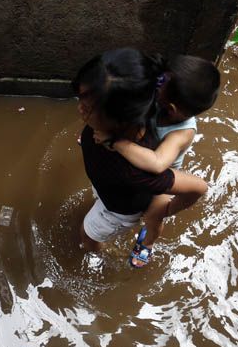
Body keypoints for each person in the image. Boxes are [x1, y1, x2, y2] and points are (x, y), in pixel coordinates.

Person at [73, 48, 209, 267]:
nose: (79, 110)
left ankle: (147, 243)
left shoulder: (179, 133)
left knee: (154, 217)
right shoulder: (151, 101)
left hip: (160, 172)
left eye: (87, 108)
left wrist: (116, 142)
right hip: (126, 180)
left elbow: (157, 164)